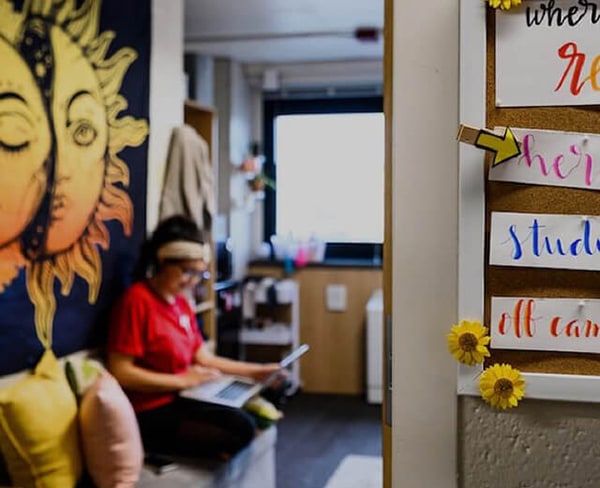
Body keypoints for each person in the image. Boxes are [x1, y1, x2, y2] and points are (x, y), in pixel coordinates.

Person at [107, 215, 282, 460]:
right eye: (186, 271)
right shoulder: (136, 302)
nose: (192, 281)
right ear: (162, 261)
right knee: (240, 429)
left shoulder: (181, 302)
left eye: (199, 274)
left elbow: (203, 357)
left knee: (253, 415)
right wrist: (183, 381)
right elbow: (121, 371)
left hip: (185, 397)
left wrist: (256, 371)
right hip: (150, 410)